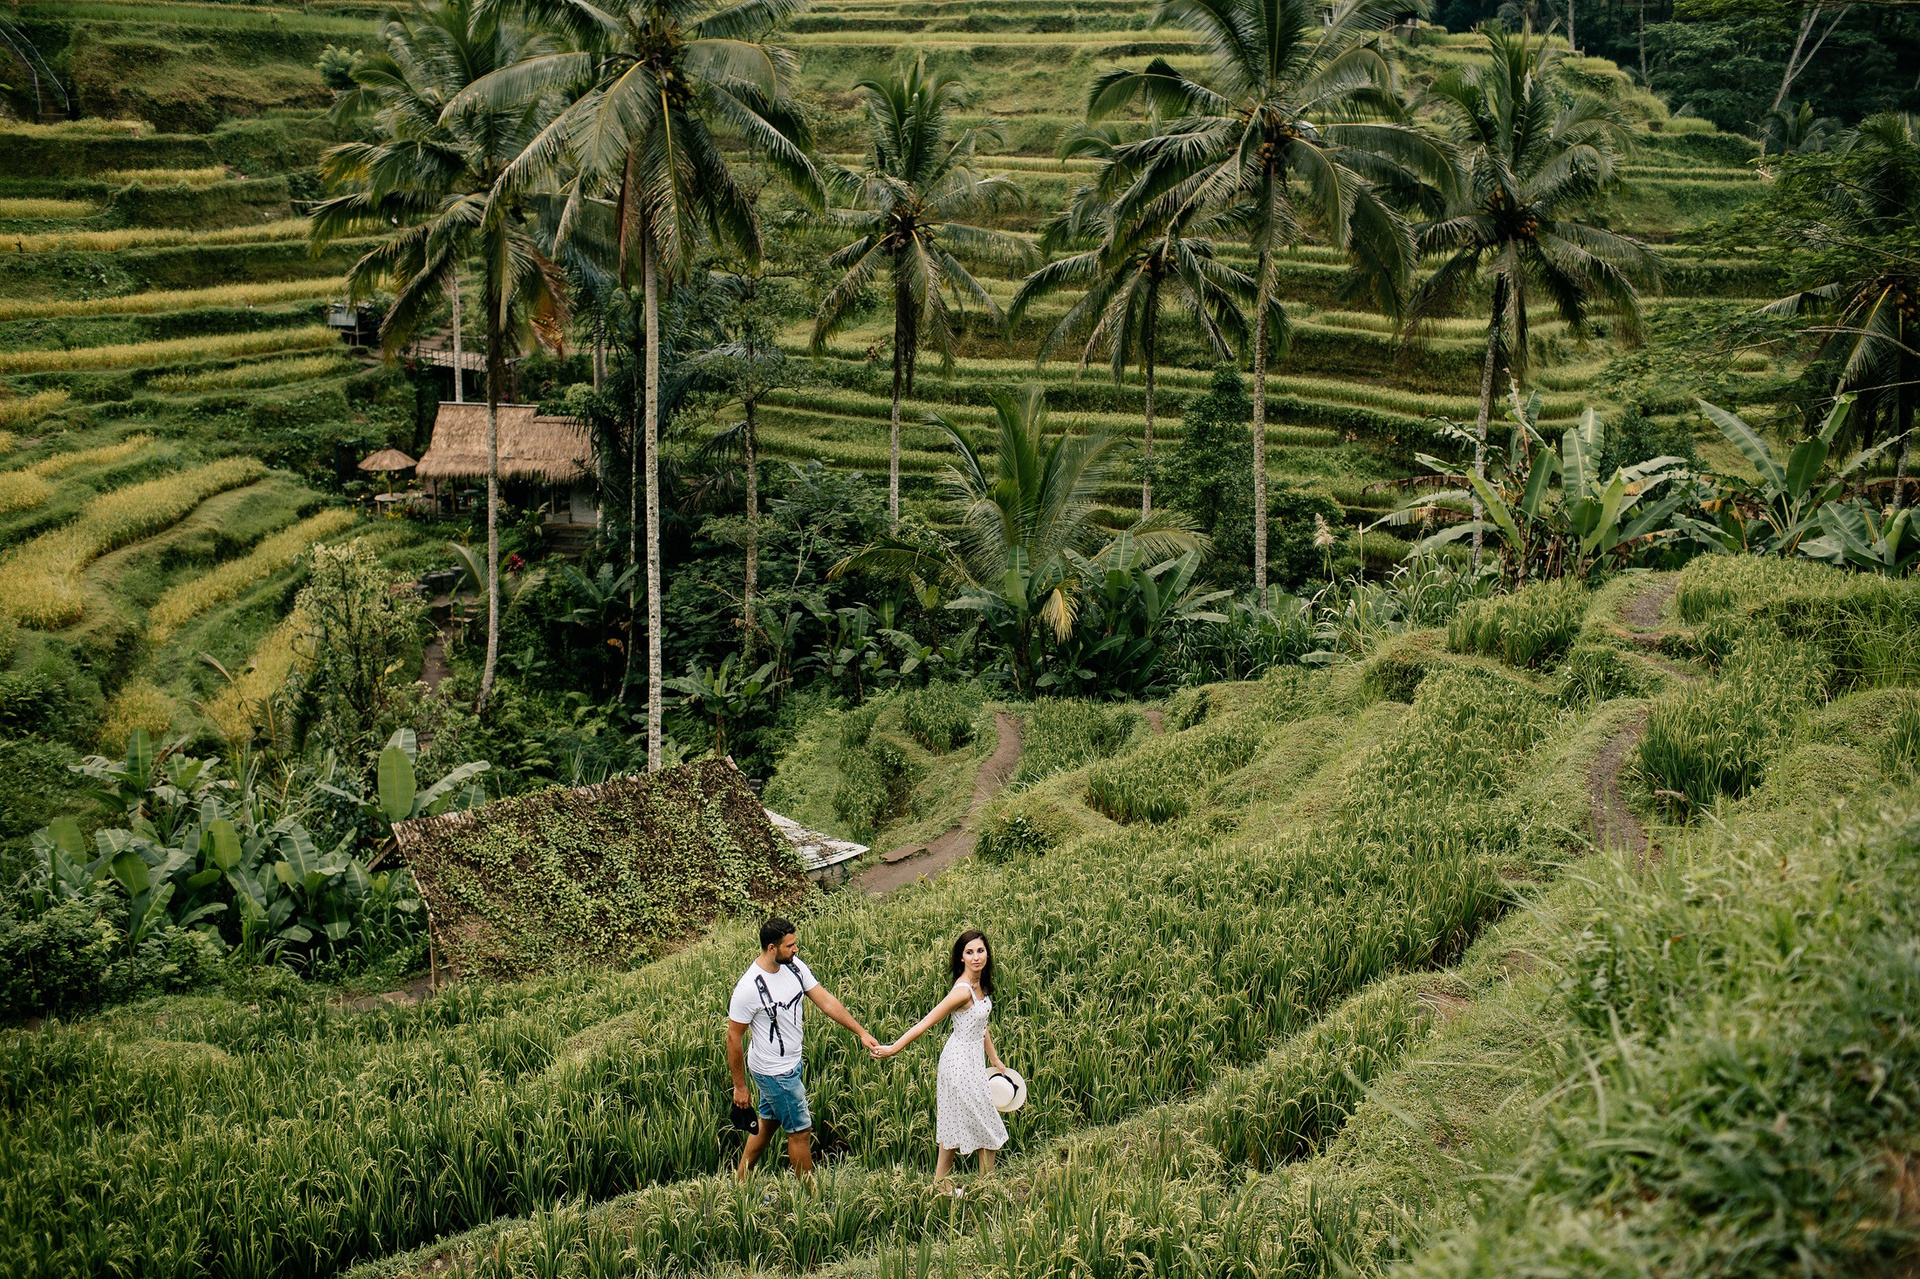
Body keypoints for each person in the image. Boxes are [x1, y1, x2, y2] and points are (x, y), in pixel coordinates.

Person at [728, 916, 878, 1180]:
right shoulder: (749, 988)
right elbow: (733, 1037)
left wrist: (861, 1032)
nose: (795, 949)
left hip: (791, 1063)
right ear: (772, 948)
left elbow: (826, 1001)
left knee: (769, 1122)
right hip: (775, 1071)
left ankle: (740, 1182)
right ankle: (810, 1196)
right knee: (800, 1131)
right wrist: (739, 1087)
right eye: (789, 946)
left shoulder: (795, 967)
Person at [870, 929, 1008, 1191]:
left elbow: (982, 1024)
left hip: (973, 1062)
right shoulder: (962, 991)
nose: (976, 957)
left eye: (980, 951)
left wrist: (995, 1059)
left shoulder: (980, 985)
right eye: (969, 952)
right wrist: (893, 1049)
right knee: (988, 1126)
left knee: (956, 1124)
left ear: (987, 954)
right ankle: (987, 1189)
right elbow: (926, 1022)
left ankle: (941, 1187)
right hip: (958, 1064)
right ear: (961, 958)